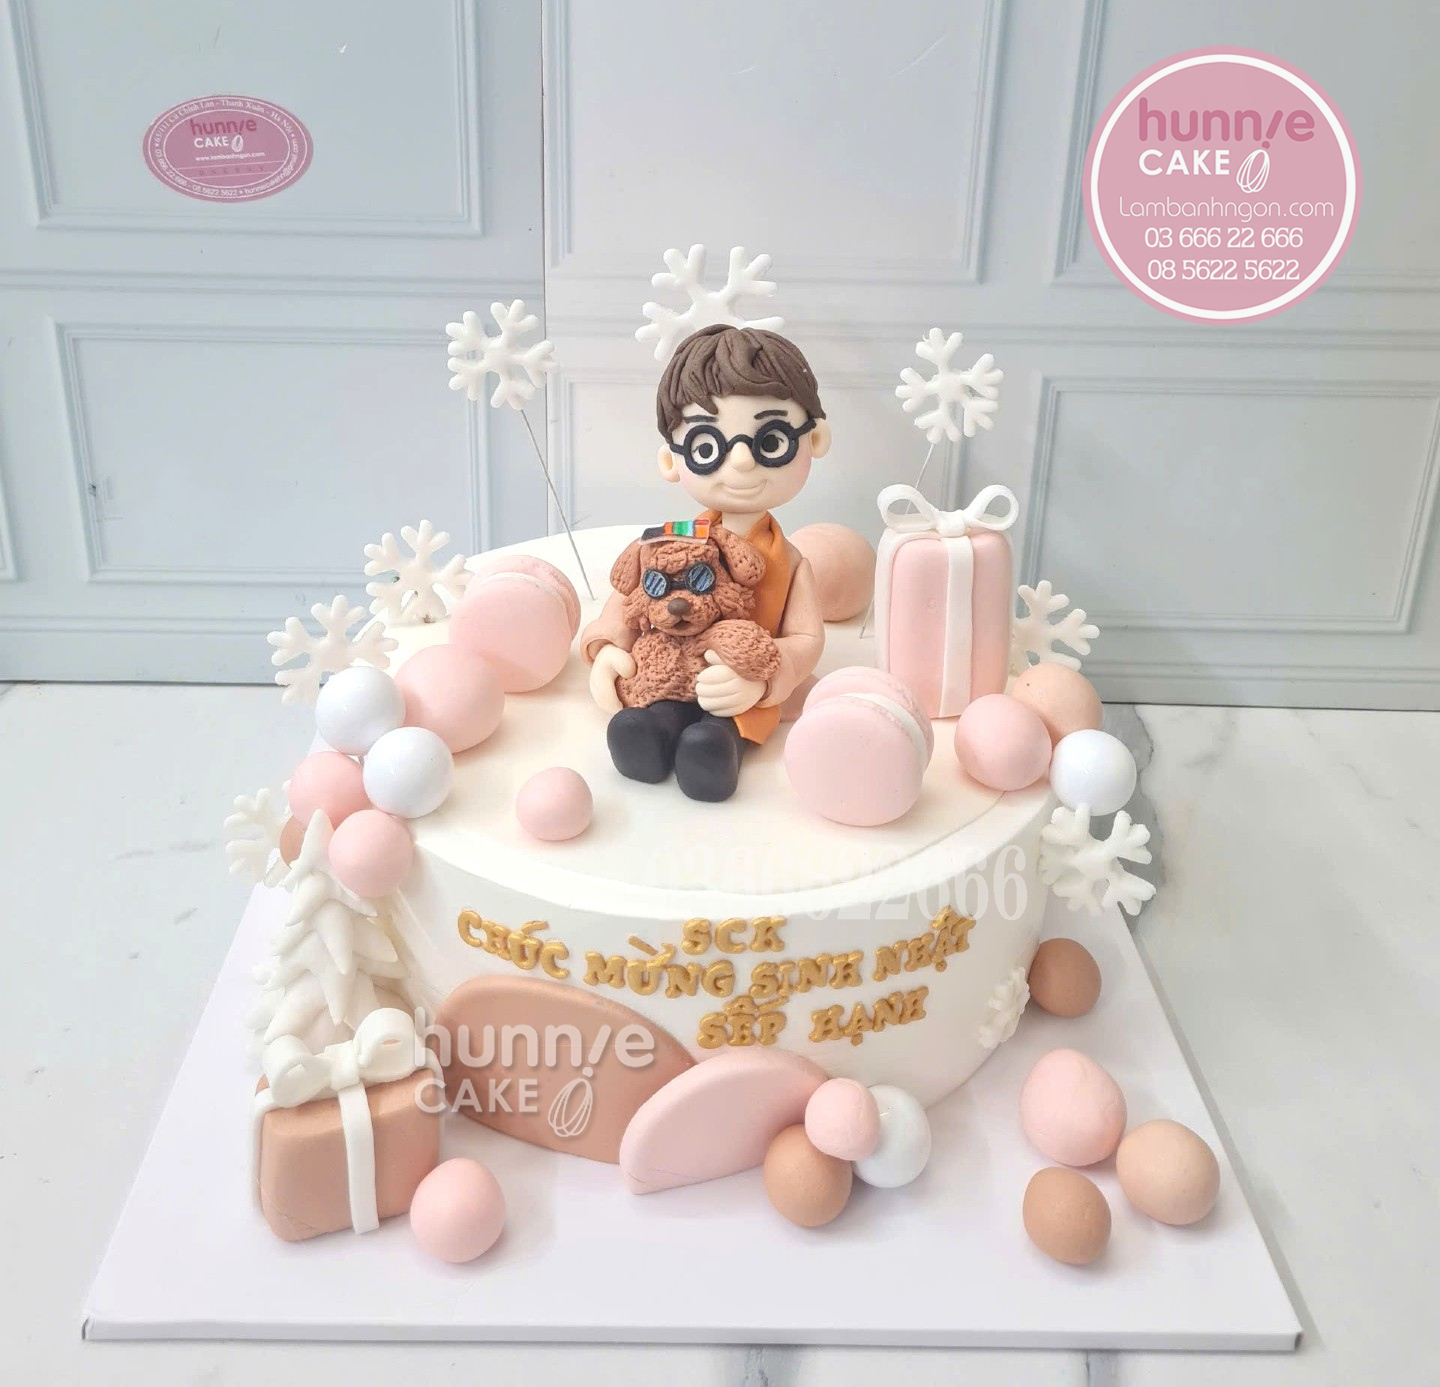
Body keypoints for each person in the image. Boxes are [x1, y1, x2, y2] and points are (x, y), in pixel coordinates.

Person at [581, 324, 829, 801]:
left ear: (814, 439)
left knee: (715, 733)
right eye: (707, 446)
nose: (742, 462)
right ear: (670, 461)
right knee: (653, 716)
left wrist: (763, 681)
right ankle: (651, 735)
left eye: (771, 440)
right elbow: (628, 599)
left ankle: (717, 750)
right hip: (666, 675)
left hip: (740, 688)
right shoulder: (668, 541)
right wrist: (607, 649)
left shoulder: (792, 563)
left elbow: (805, 639)